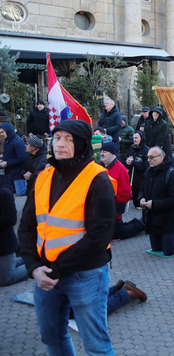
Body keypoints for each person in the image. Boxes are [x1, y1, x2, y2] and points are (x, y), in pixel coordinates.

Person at [18, 119, 116, 355]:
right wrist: (33, 267)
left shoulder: (97, 179)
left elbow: (98, 238)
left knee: (96, 346)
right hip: (45, 273)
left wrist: (55, 270)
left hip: (86, 275)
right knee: (52, 337)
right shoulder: (44, 175)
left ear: (81, 144)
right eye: (57, 138)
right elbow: (27, 227)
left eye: (69, 139)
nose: (60, 144)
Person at [100, 142, 140, 240]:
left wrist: (118, 210)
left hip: (113, 209)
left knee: (116, 235)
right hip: (101, 208)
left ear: (113, 154)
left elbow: (125, 192)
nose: (102, 154)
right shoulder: (98, 166)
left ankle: (140, 224)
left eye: (105, 152)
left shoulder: (120, 169)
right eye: (101, 151)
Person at [0, 185, 27, 285]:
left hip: (4, 244)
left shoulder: (4, 193)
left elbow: (10, 219)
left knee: (6, 279)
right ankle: (26, 258)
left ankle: (35, 265)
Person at [126, 131, 150, 208]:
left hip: (142, 176)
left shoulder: (146, 150)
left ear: (141, 138)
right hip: (133, 175)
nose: (134, 139)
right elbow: (126, 157)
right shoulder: (132, 148)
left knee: (141, 190)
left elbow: (146, 166)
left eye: (136, 138)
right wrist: (127, 161)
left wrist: (134, 163)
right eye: (133, 138)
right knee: (134, 190)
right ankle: (136, 204)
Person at [0, 122, 27, 190]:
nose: (1, 134)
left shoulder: (17, 142)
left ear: (8, 131)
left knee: (20, 192)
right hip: (9, 172)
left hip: (17, 173)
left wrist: (7, 163)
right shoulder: (7, 140)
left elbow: (22, 158)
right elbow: (10, 153)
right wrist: (3, 158)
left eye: (2, 132)